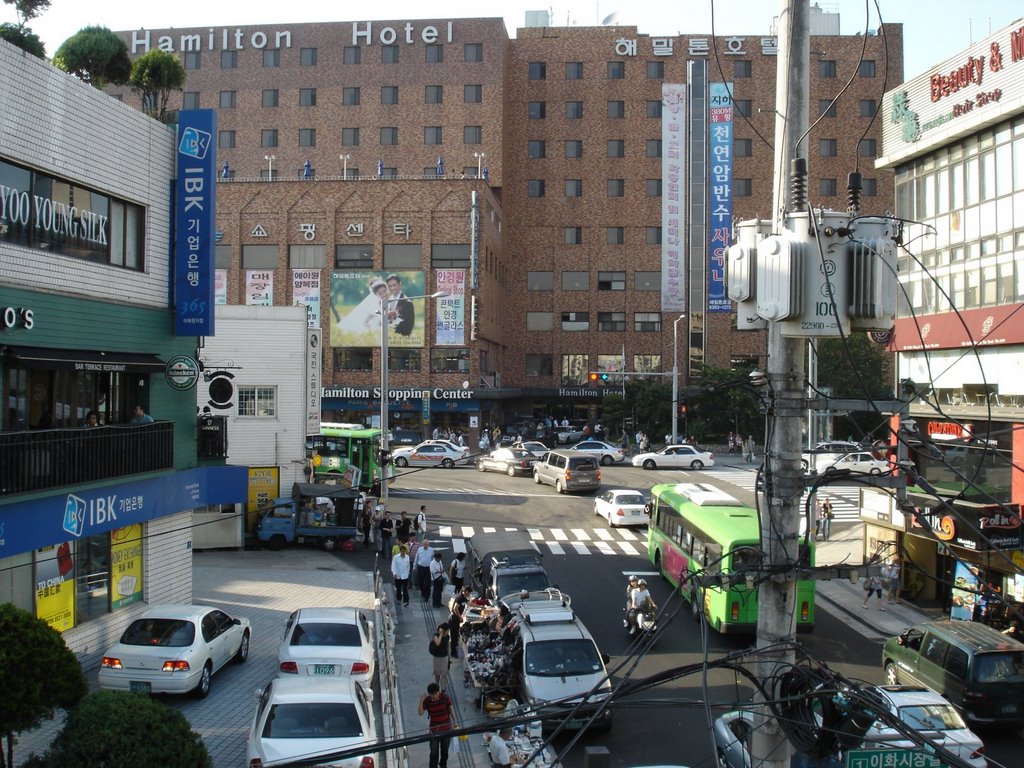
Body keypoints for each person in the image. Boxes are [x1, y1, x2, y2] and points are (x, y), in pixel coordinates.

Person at [418, 682, 454, 768]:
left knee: (445, 751)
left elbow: (450, 708)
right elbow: (420, 713)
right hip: (434, 731)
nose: (434, 697)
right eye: (432, 695)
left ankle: (443, 765)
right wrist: (421, 701)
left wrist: (454, 721)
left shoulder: (445, 697)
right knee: (434, 752)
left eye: (436, 694)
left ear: (439, 692)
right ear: (429, 694)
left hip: (446, 729)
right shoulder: (427, 701)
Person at [428, 625, 451, 690]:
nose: (448, 632)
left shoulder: (447, 636)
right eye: (447, 631)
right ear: (443, 630)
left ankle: (443, 689)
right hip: (437, 658)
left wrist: (449, 656)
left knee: (444, 674)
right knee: (437, 674)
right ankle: (437, 686)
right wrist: (440, 634)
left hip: (444, 657)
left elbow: (448, 646)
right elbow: (437, 643)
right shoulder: (436, 635)